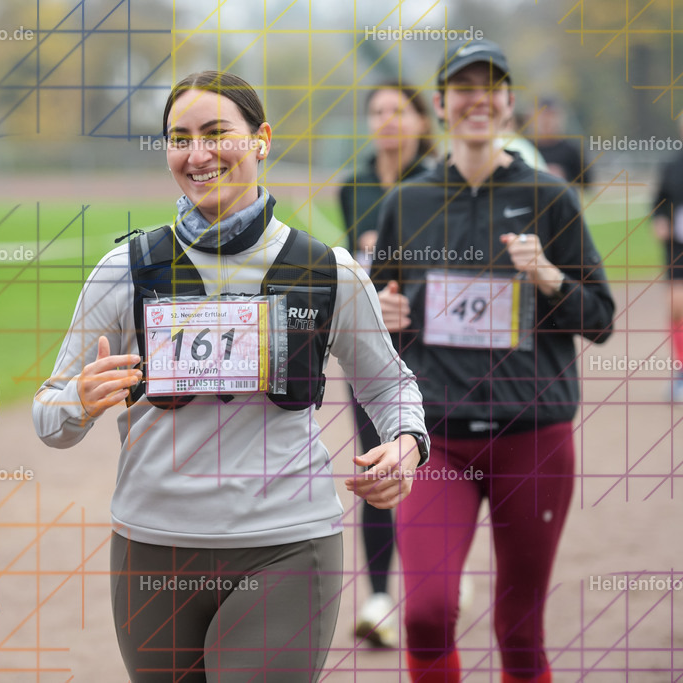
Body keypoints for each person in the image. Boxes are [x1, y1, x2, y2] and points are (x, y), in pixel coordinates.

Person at [33, 70, 431, 682]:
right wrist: (80, 402)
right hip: (152, 548)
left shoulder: (328, 271)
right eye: (180, 137)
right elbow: (49, 417)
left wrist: (404, 445)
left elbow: (389, 384)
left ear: (261, 140)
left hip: (287, 544)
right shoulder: (126, 269)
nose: (199, 155)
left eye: (218, 133)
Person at [372, 40, 615, 683]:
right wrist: (386, 319)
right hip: (438, 439)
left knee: (519, 629)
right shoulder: (406, 201)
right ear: (444, 104)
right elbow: (376, 325)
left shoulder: (550, 196)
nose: (478, 98)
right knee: (423, 613)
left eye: (492, 86)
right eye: (463, 87)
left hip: (532, 437)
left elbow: (602, 320)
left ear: (509, 103)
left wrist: (548, 278)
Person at [338, 81, 435, 648]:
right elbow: (363, 268)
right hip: (375, 348)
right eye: (376, 111)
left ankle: (434, 580)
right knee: (375, 463)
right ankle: (378, 598)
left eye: (398, 110)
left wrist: (414, 305)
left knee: (433, 464)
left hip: (440, 353)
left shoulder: (445, 182)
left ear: (422, 120)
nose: (387, 121)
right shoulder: (355, 187)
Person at [651, 115, 683, 400]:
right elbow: (658, 203)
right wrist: (659, 220)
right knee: (677, 307)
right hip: (677, 247)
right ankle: (681, 371)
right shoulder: (672, 166)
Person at [534, 96, 593, 192]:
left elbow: (587, 184)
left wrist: (563, 178)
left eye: (552, 116)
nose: (548, 121)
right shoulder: (527, 148)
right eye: (544, 116)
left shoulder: (572, 150)